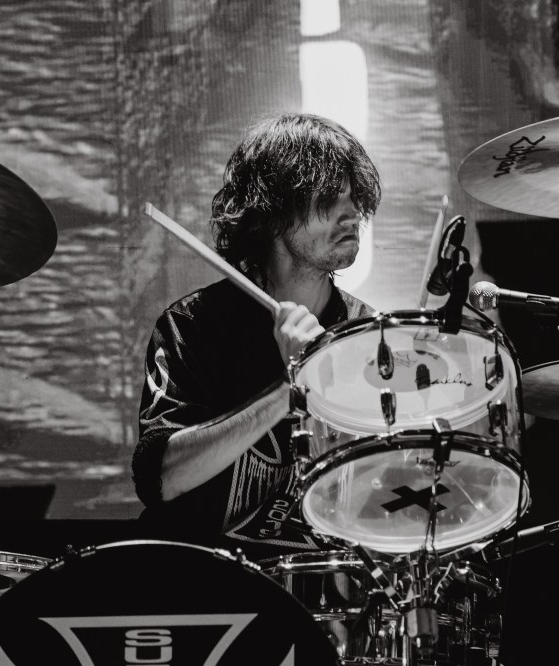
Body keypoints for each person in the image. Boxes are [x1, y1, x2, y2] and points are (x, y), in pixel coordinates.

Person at [132, 112, 381, 554]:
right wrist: (294, 384)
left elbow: (382, 492)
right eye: (329, 199)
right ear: (272, 216)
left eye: (354, 198)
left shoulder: (367, 334)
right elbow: (162, 480)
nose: (352, 215)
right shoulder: (192, 325)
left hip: (318, 585)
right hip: (204, 582)